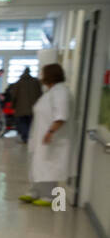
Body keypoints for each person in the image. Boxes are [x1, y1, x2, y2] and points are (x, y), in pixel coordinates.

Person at [19, 63, 72, 206]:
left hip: (53, 137)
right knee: (38, 164)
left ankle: (50, 197)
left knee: (49, 166)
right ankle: (35, 191)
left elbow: (61, 115)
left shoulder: (60, 92)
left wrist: (51, 131)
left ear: (50, 75)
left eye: (43, 73)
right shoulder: (50, 92)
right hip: (40, 136)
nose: (40, 76)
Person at [11, 66, 42, 143]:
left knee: (23, 123)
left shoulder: (18, 83)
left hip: (20, 108)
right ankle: (29, 137)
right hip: (33, 107)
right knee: (30, 123)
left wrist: (13, 105)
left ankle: (25, 137)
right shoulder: (36, 82)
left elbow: (14, 95)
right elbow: (40, 94)